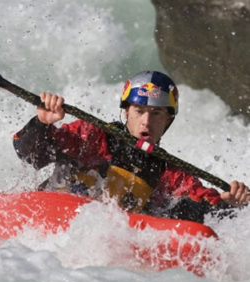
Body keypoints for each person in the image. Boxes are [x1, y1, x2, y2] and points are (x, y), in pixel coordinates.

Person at [13, 71, 250, 223]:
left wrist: (227, 203)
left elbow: (204, 205)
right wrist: (41, 124)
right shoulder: (93, 136)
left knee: (184, 209)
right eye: (139, 112)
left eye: (156, 114)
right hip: (49, 213)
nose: (146, 122)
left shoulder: (170, 171)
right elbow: (30, 155)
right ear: (126, 112)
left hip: (95, 237)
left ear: (168, 120)